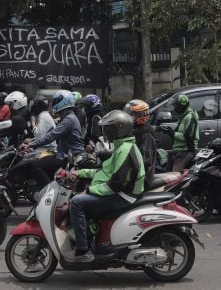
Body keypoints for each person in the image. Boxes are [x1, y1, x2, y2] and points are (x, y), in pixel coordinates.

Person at [67, 110, 145, 262]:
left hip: (122, 196)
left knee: (76, 203)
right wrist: (80, 173)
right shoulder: (121, 146)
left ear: (120, 129)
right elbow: (104, 171)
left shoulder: (124, 150)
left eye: (109, 129)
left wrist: (90, 190)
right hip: (119, 192)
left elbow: (116, 184)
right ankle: (91, 240)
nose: (106, 132)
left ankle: (83, 251)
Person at [27, 90, 85, 189]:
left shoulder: (69, 119)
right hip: (64, 154)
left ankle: (48, 192)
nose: (54, 103)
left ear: (65, 102)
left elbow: (52, 135)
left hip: (68, 156)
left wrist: (32, 144)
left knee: (36, 165)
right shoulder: (68, 117)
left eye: (57, 100)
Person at [159, 94, 199, 171]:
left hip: (186, 151)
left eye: (176, 106)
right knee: (166, 170)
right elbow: (180, 134)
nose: (174, 108)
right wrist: (169, 131)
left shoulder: (190, 117)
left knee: (175, 172)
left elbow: (189, 137)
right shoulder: (183, 117)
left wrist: (172, 133)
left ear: (181, 106)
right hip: (179, 150)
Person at [123, 99, 157, 184]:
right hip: (133, 174)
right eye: (130, 114)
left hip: (141, 180)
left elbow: (144, 162)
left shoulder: (146, 136)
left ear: (143, 115)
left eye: (134, 114)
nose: (131, 116)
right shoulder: (133, 131)